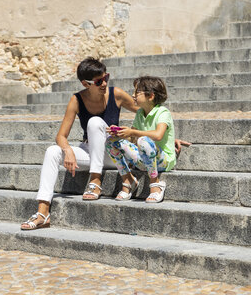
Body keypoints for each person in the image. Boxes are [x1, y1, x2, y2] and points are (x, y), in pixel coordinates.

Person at [21, 58, 190, 230]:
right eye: (98, 81)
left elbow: (149, 108)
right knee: (52, 151)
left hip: (111, 153)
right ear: (85, 84)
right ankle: (43, 213)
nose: (104, 83)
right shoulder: (77, 100)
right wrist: (67, 150)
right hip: (90, 151)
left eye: (106, 78)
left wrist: (167, 138)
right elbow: (61, 136)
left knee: (95, 122)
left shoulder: (115, 94)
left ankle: (96, 181)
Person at [105, 76, 175, 203]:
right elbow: (132, 137)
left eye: (137, 92)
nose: (133, 95)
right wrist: (119, 132)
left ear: (151, 96)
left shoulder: (163, 112)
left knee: (143, 140)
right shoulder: (139, 113)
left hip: (163, 161)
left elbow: (158, 135)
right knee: (111, 142)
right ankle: (128, 179)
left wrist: (133, 132)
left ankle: (155, 184)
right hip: (144, 160)